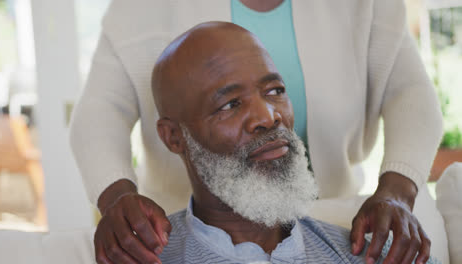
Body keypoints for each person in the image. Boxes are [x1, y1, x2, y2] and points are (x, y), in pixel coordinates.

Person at [70, 0, 445, 263]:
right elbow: (99, 112)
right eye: (230, 104)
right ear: (172, 136)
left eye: (276, 92)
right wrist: (116, 197)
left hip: (324, 224)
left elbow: (410, 94)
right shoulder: (141, 8)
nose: (267, 117)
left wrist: (397, 193)